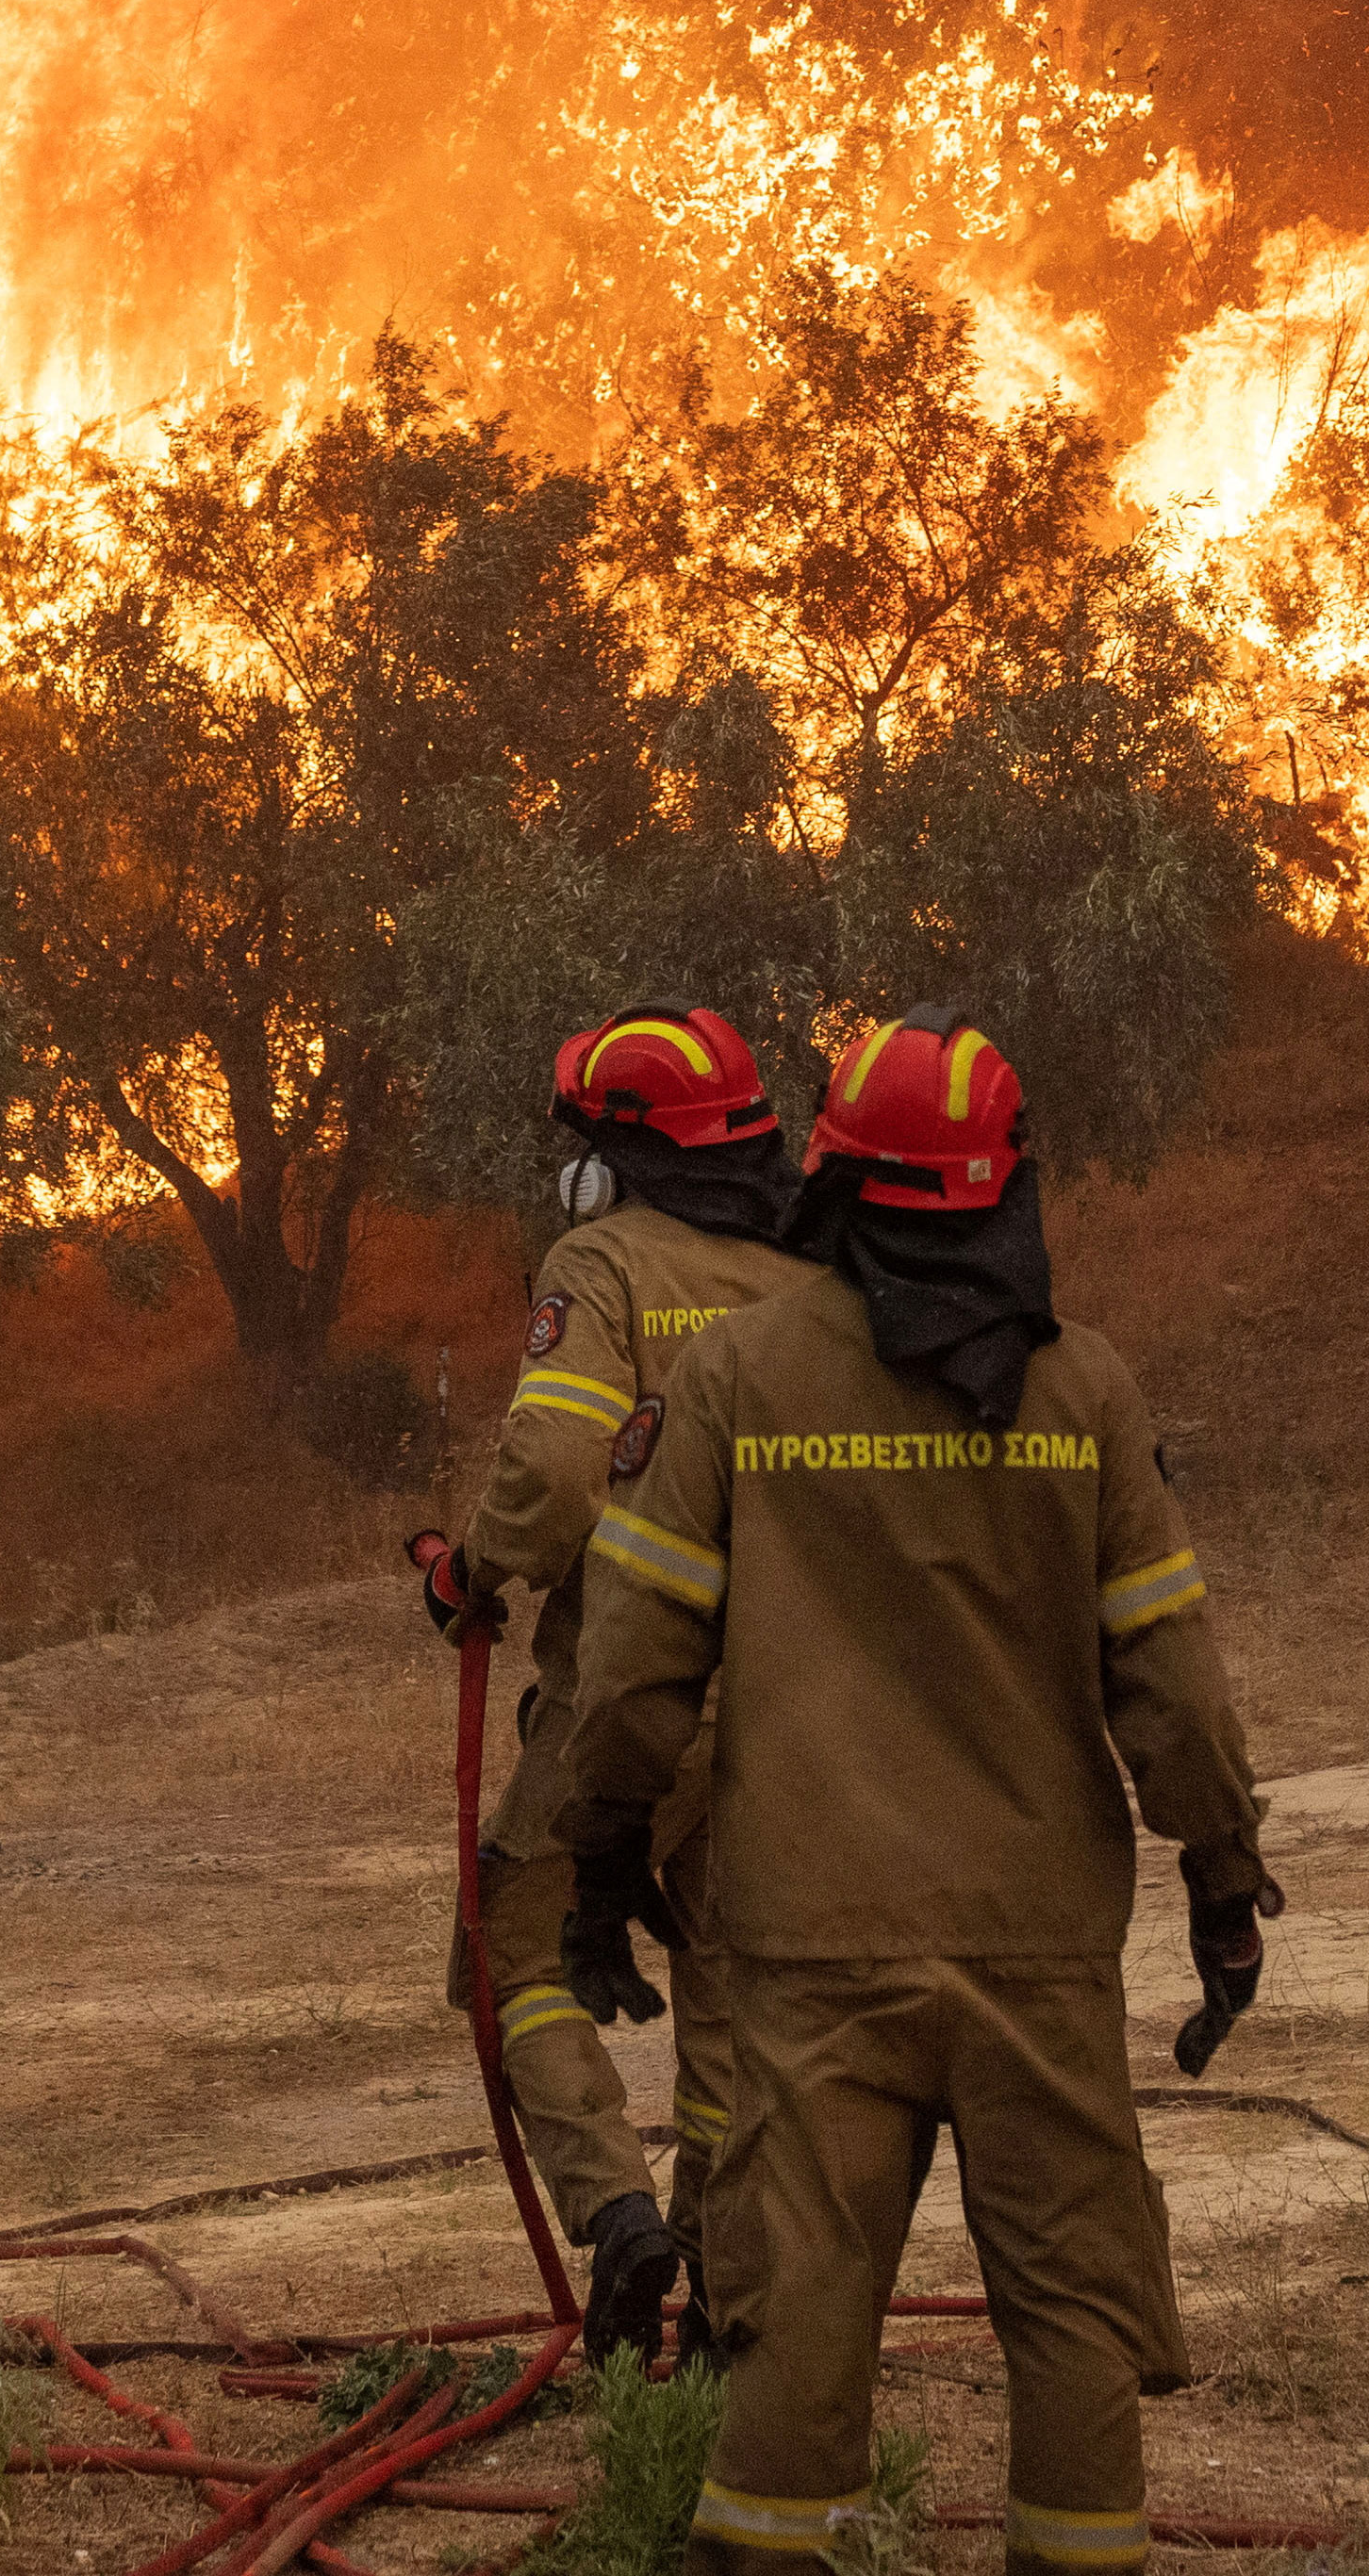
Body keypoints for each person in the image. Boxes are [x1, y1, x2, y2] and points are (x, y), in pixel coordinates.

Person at [553, 1011, 1272, 2574]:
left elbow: (633, 1667)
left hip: (813, 1942)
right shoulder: (1085, 1391)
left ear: (831, 1174)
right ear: (1008, 1183)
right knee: (1072, 2303)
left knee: (801, 2297)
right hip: (1039, 1947)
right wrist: (1223, 1873)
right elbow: (1175, 1688)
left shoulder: (738, 1376)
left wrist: (601, 1858)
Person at [436, 1005, 819, 2362]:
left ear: (614, 1160)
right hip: (789, 1694)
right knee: (728, 1981)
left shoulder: (599, 1262)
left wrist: (471, 1568)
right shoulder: (806, 1276)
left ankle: (616, 2210)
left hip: (639, 1689)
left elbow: (553, 1469)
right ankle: (721, 2284)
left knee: (510, 1947)